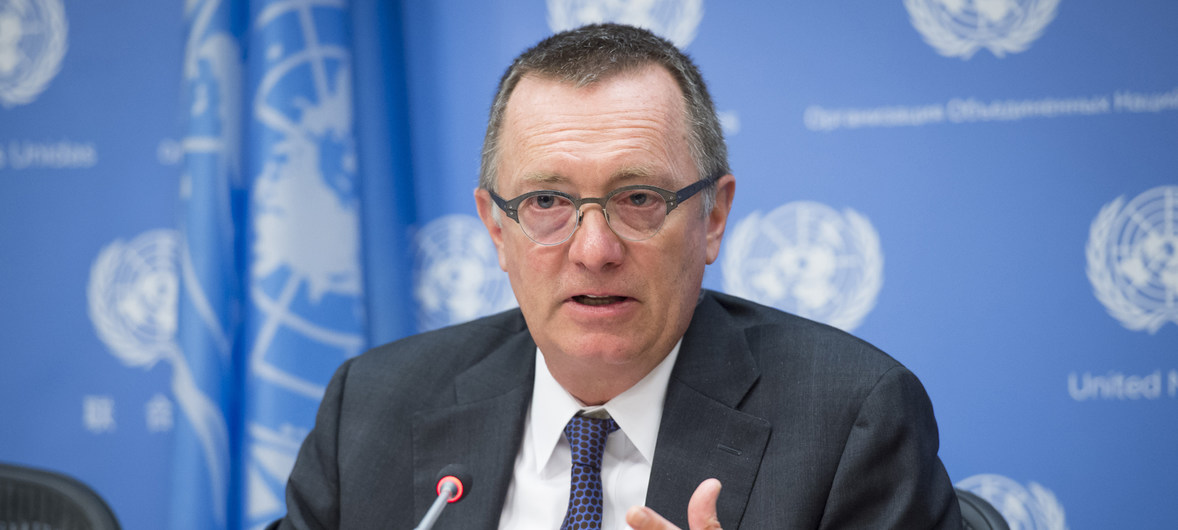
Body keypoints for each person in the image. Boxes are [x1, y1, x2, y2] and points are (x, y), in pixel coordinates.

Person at [274, 23, 962, 530]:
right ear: (496, 229)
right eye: (547, 201)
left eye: (639, 198)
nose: (595, 250)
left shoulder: (850, 423)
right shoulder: (372, 409)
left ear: (714, 217)